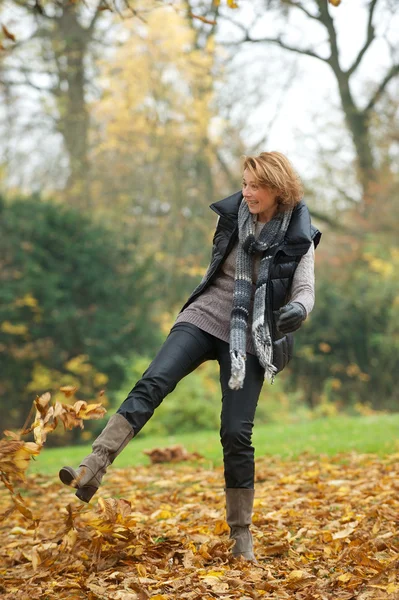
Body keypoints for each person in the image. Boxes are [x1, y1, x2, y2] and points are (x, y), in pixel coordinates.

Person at [59, 151, 321, 561]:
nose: (246, 192)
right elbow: (219, 267)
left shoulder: (300, 235)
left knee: (236, 433)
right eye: (245, 183)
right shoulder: (232, 215)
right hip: (206, 313)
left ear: (278, 189)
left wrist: (298, 310)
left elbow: (304, 288)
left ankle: (241, 535)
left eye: (256, 186)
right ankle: (92, 467)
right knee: (153, 381)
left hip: (252, 336)